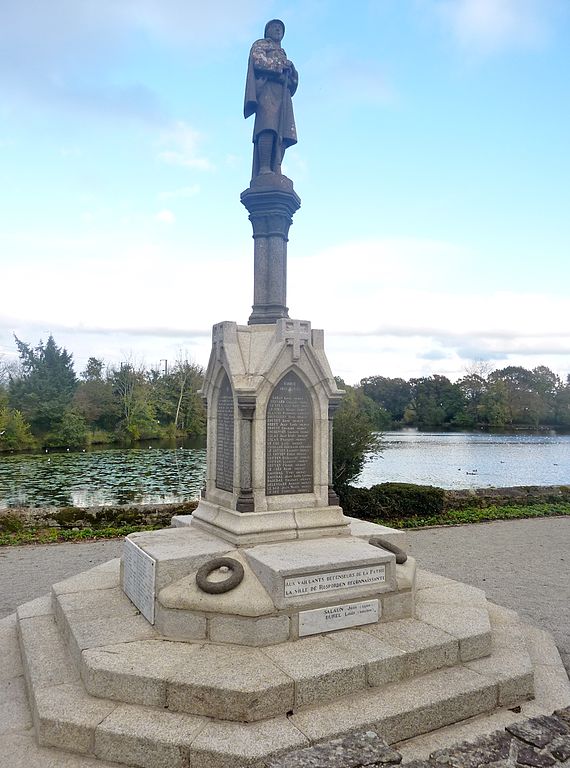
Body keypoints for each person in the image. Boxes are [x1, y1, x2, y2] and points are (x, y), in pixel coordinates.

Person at [244, 19, 298, 178]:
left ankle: (276, 168)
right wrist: (281, 66)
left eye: (280, 28)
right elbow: (258, 61)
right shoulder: (261, 44)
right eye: (274, 27)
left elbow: (293, 80)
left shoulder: (283, 53)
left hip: (283, 94)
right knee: (267, 127)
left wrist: (292, 72)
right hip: (267, 91)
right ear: (267, 31)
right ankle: (265, 168)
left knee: (285, 132)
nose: (278, 30)